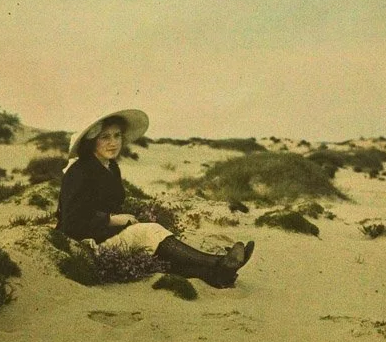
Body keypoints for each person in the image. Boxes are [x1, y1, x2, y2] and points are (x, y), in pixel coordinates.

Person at [56, 109, 254, 288]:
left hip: (106, 236)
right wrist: (111, 219)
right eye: (105, 137)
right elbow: (71, 222)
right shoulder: (79, 172)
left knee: (158, 254)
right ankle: (219, 262)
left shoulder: (110, 166)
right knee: (150, 232)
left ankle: (217, 276)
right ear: (92, 141)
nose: (113, 142)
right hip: (83, 245)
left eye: (117, 136)